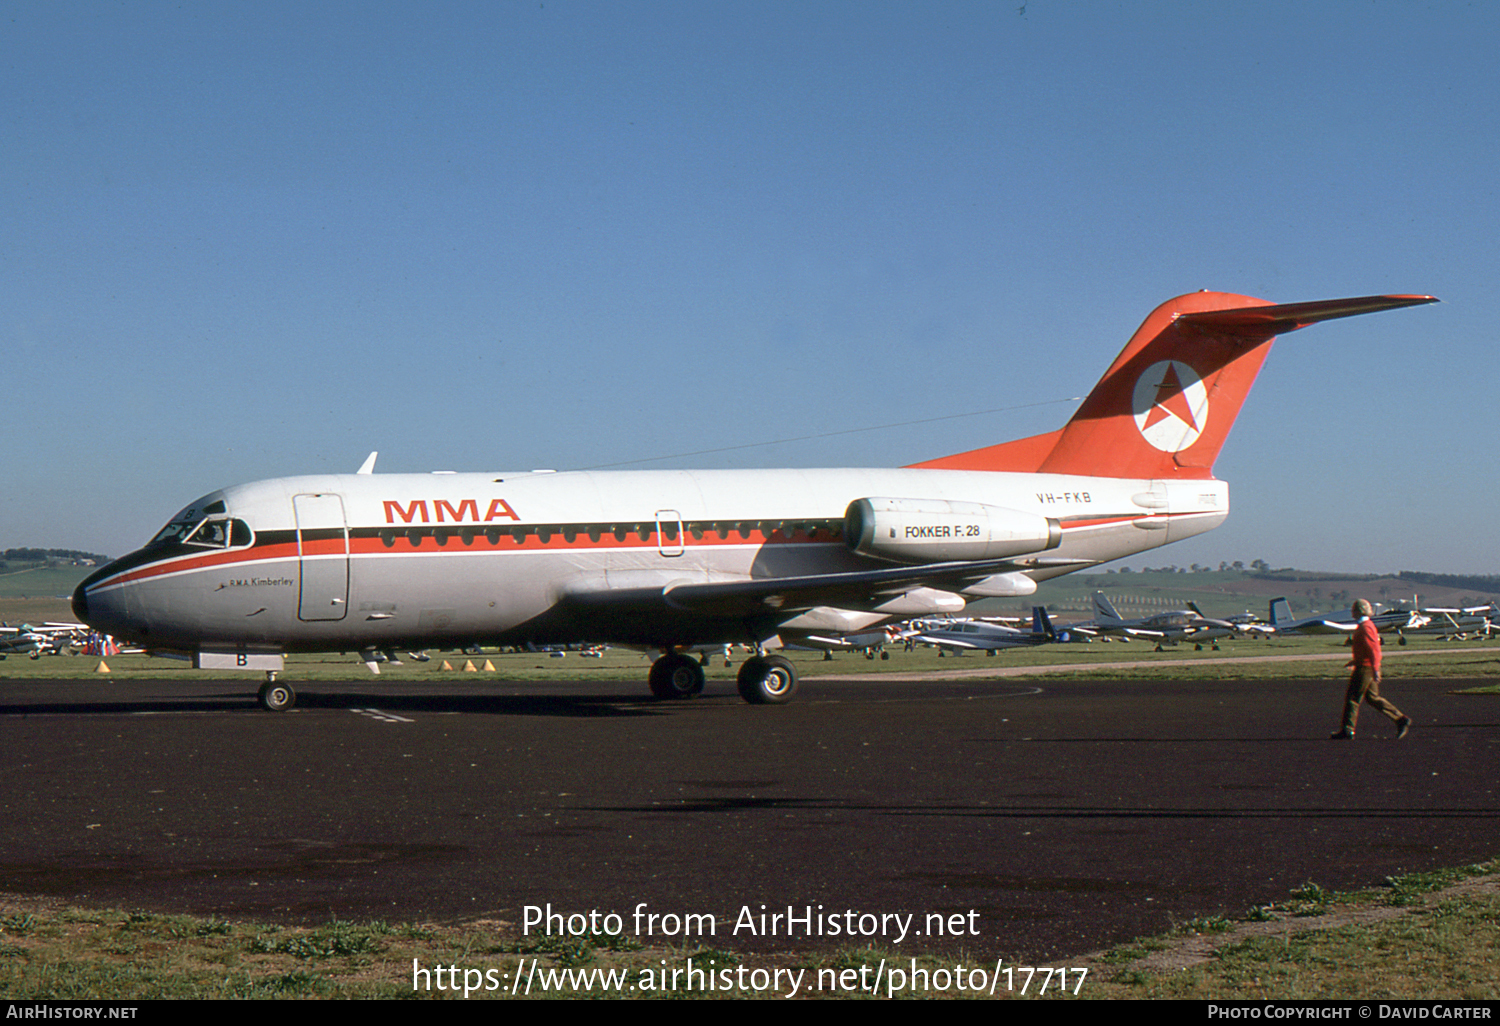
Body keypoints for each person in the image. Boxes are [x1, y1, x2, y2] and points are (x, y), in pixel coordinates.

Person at [1331, 599, 1411, 739]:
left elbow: (1374, 650)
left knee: (1353, 698)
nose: (1352, 612)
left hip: (1365, 668)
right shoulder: (1366, 625)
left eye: (1354, 610)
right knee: (1373, 698)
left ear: (1358, 611)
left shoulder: (1365, 627)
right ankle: (1400, 719)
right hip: (1365, 665)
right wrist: (1355, 661)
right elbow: (1367, 649)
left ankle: (1347, 730)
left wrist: (1375, 669)